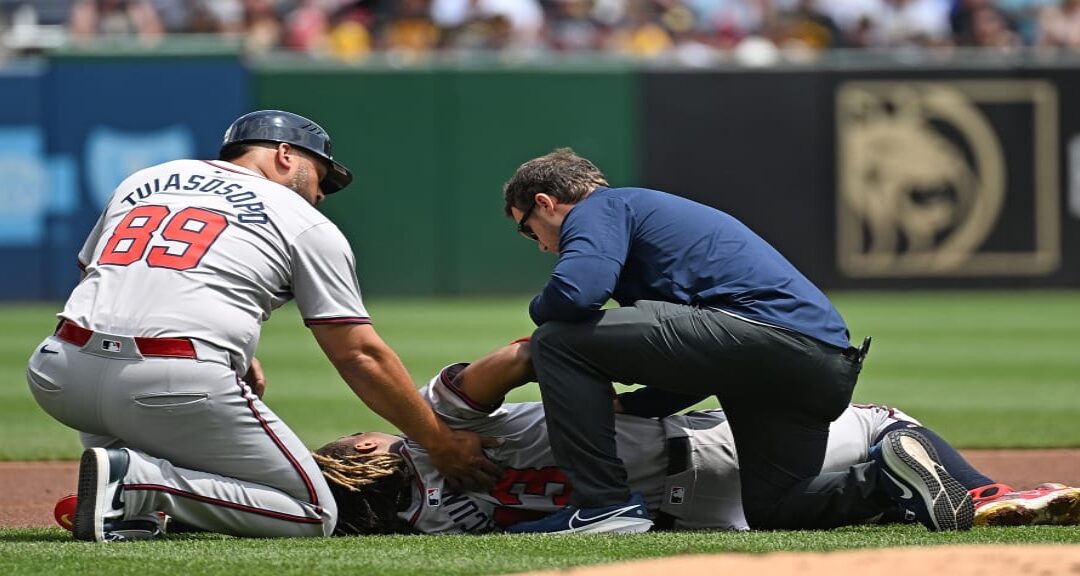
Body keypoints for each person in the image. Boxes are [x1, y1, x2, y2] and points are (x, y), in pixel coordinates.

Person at [26, 109, 498, 542]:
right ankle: (141, 485)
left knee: (141, 426)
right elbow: (358, 353)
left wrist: (230, 346)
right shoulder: (304, 222)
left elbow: (100, 272)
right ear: (285, 154)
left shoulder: (146, 179)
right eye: (320, 176)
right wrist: (438, 442)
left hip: (59, 374)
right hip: (168, 385)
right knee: (314, 512)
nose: (320, 193)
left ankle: (126, 497)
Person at [499, 148, 972, 534]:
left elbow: (579, 292)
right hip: (820, 365)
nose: (541, 245)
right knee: (777, 509)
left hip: (760, 335)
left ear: (545, 202)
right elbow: (696, 363)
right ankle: (888, 475)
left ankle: (603, 507)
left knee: (557, 339)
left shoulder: (601, 207)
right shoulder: (638, 219)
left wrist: (538, 313)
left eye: (528, 230)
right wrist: (638, 406)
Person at [310, 340, 1080, 535]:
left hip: (689, 513)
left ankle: (897, 491)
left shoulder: (424, 519)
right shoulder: (437, 431)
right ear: (373, 452)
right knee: (886, 423)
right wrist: (593, 370)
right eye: (359, 437)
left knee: (820, 510)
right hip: (695, 447)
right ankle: (974, 491)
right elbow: (524, 353)